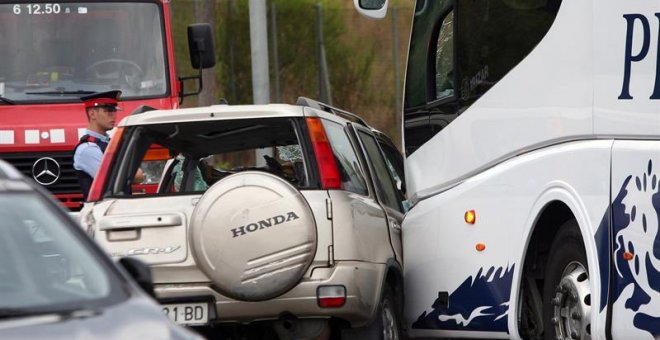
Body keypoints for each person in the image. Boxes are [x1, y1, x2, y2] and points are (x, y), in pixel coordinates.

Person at [73, 90, 143, 200]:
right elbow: (114, 182)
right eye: (108, 110)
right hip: (102, 211)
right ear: (92, 114)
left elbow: (139, 177)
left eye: (114, 110)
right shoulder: (88, 149)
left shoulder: (109, 143)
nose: (114, 115)